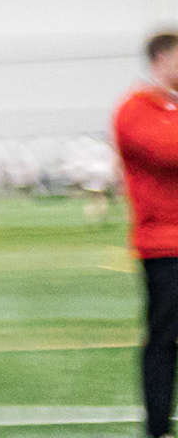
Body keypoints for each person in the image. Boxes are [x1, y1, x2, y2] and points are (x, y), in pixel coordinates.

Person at [115, 31, 178, 438]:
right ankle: (157, 427)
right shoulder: (135, 109)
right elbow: (168, 151)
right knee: (164, 338)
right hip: (165, 245)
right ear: (161, 59)